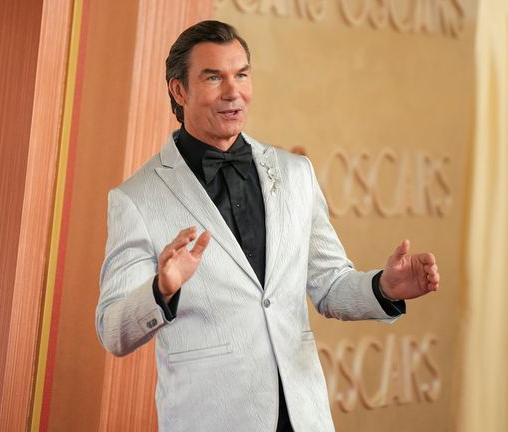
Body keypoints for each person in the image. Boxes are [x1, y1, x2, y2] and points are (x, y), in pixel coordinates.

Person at [95, 20, 440, 432]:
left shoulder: (296, 174)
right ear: (179, 90)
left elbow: (330, 285)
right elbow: (113, 330)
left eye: (241, 74)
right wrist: (161, 290)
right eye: (213, 77)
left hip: (303, 415)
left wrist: (383, 287)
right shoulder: (136, 198)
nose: (233, 91)